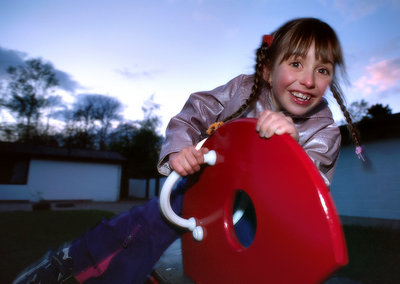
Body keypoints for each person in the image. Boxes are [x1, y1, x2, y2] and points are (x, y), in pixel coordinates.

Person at [13, 17, 362, 284]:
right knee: (142, 224)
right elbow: (194, 112)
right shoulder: (243, 90)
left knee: (219, 267)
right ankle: (69, 260)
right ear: (268, 71)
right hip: (202, 188)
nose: (309, 80)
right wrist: (179, 150)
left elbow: (305, 199)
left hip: (255, 223)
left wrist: (291, 145)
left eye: (323, 70)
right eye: (297, 64)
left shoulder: (323, 130)